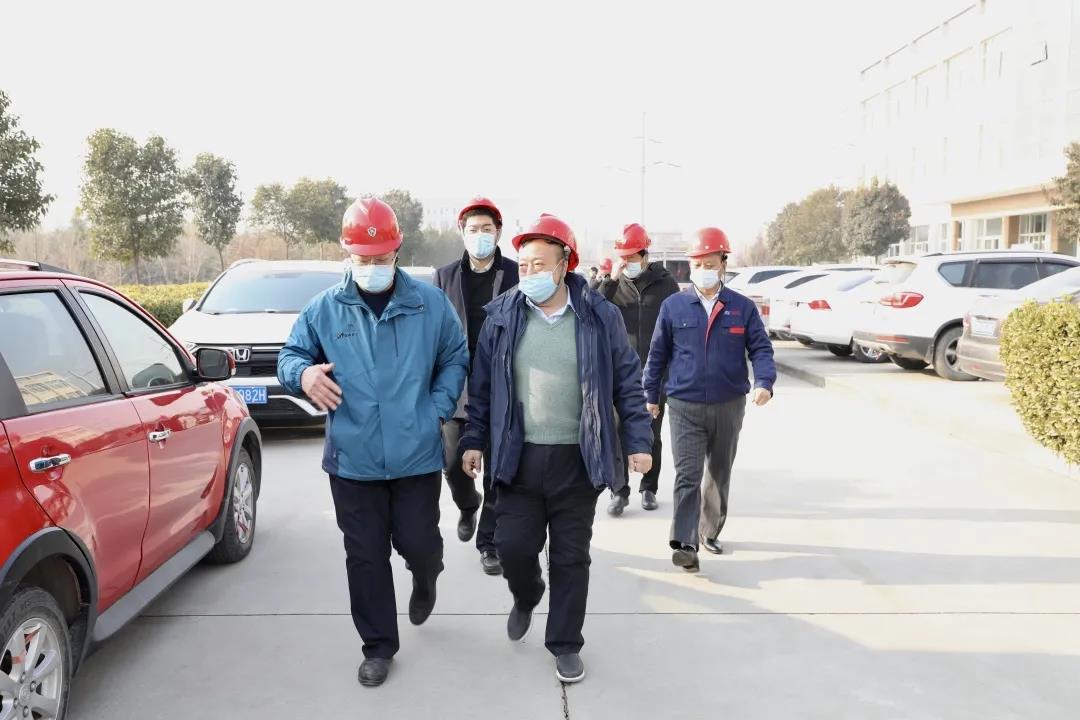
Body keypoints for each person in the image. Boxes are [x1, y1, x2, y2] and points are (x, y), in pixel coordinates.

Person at [277, 197, 469, 688]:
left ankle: (426, 576)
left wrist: (436, 409)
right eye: (362, 258)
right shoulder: (324, 309)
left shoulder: (429, 304)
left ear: (397, 251)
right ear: (347, 253)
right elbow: (291, 355)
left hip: (415, 455)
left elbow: (455, 356)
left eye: (381, 258)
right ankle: (379, 646)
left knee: (419, 544)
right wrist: (303, 375)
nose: (372, 267)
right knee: (365, 556)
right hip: (353, 459)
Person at [460, 214, 654, 683]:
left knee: (571, 557)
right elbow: (481, 388)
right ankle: (527, 593)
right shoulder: (502, 317)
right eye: (524, 265)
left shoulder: (599, 317)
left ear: (565, 264)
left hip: (577, 458)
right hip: (518, 457)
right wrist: (473, 439)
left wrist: (638, 441)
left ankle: (565, 643)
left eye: (540, 264)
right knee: (513, 548)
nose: (529, 273)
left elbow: (627, 383)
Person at [642, 227, 775, 573]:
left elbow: (761, 348)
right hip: (683, 406)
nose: (703, 270)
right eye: (698, 264)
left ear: (723, 264)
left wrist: (764, 382)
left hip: (729, 405)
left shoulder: (742, 308)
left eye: (710, 263)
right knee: (687, 475)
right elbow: (657, 354)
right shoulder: (673, 306)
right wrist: (651, 395)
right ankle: (685, 544)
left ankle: (710, 530)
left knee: (718, 473)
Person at [434, 196, 519, 575]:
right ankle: (468, 505)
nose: (480, 235)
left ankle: (490, 543)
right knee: (453, 465)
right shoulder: (444, 277)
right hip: (459, 388)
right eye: (473, 229)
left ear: (498, 232)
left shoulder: (515, 274)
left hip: (504, 386)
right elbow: (435, 333)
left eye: (487, 229)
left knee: (499, 469)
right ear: (462, 232)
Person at [597, 223, 680, 517]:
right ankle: (619, 491)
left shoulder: (666, 284)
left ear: (645, 256)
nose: (627, 263)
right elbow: (592, 309)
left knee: (651, 433)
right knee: (617, 431)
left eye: (632, 257)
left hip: (654, 372)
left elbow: (675, 329)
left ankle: (649, 487)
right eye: (623, 257)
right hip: (618, 373)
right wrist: (610, 281)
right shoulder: (612, 285)